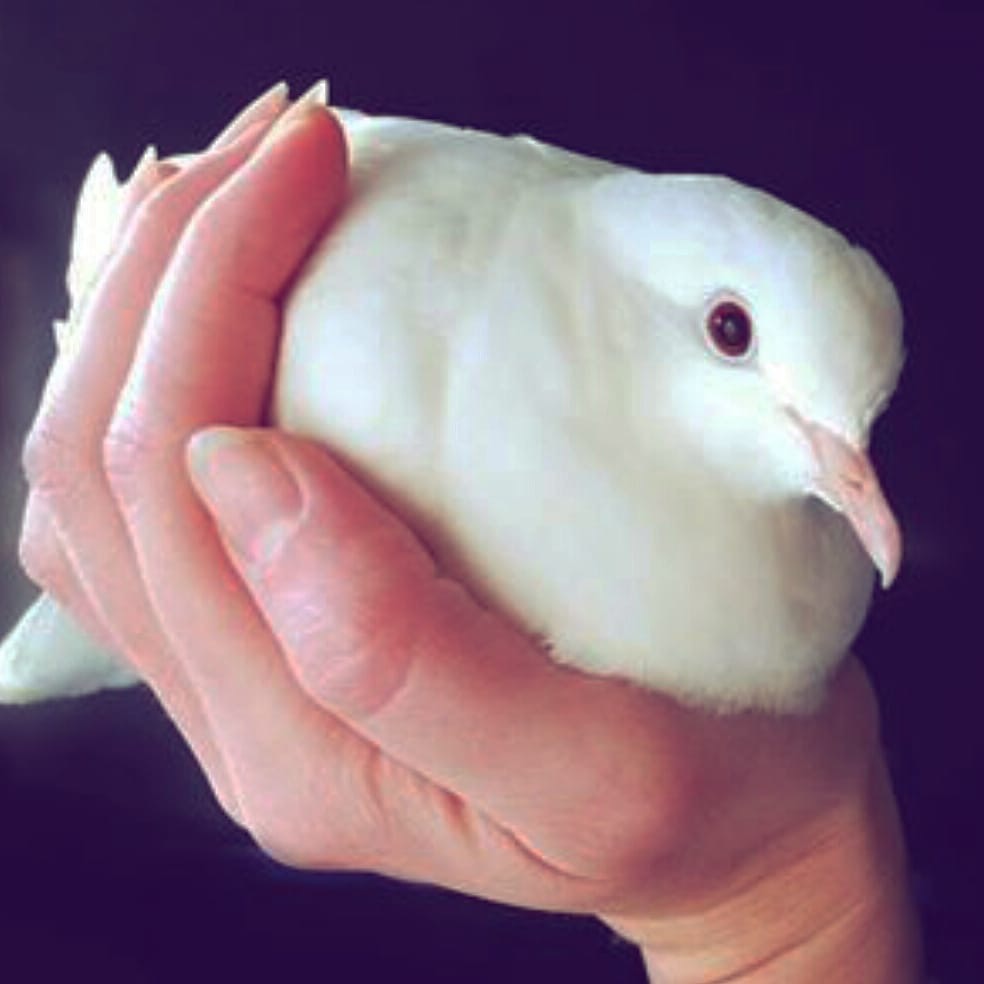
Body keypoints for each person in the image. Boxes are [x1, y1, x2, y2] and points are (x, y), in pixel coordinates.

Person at [18, 84, 921, 982]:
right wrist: (779, 916)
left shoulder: (816, 525)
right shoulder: (421, 374)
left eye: (858, 425)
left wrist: (778, 909)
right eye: (732, 332)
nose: (856, 494)